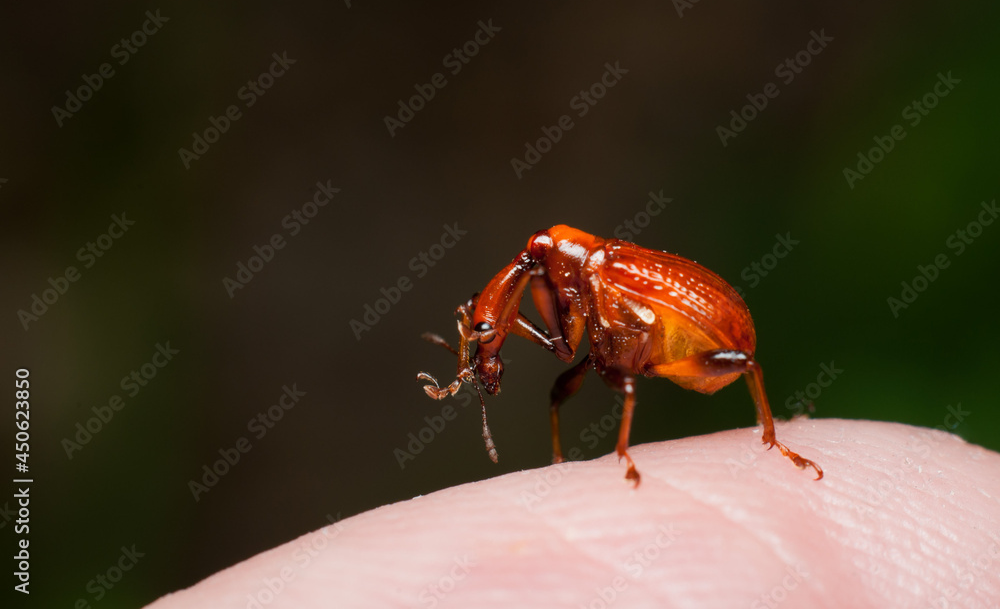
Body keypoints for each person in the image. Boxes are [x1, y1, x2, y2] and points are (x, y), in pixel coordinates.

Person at [146, 419, 1000, 608]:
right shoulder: (560, 298)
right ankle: (575, 464)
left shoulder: (599, 284)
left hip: (702, 332)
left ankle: (774, 439)